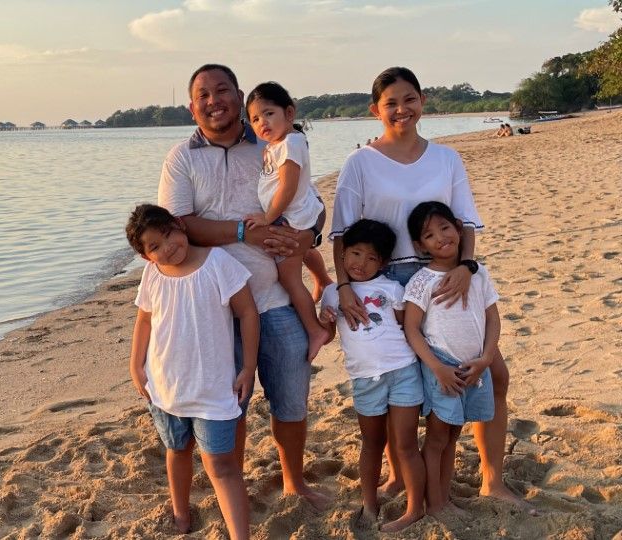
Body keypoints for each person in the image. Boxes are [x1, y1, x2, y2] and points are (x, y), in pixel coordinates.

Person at [329, 66, 525, 510]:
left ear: (423, 101)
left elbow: (465, 221)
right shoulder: (360, 162)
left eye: (410, 99)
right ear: (376, 110)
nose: (402, 109)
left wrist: (467, 267)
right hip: (385, 281)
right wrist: (343, 285)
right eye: (391, 103)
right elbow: (342, 234)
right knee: (400, 382)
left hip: (446, 276)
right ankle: (402, 476)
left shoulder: (446, 158)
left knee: (493, 374)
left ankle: (492, 479)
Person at [158, 63, 331, 510]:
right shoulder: (182, 157)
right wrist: (242, 232)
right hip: (212, 309)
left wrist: (308, 238)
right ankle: (232, 489)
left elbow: (309, 202)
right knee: (227, 405)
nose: (213, 101)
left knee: (291, 399)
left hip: (275, 298)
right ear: (192, 107)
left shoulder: (270, 141)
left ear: (239, 95)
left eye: (222, 90)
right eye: (203, 95)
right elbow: (177, 226)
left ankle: (294, 481)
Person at [126, 204, 259, 538]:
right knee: (177, 449)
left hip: (213, 388)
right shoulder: (152, 274)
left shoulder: (218, 263)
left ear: (179, 225)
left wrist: (248, 366)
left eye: (168, 234)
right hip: (166, 385)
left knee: (222, 465)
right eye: (155, 246)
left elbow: (247, 312)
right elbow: (144, 320)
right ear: (145, 257)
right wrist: (135, 365)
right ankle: (181, 513)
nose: (167, 247)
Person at [318, 219, 425, 532]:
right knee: (371, 442)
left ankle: (415, 508)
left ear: (384, 262)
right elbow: (327, 335)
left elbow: (406, 326)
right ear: (342, 254)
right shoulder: (332, 293)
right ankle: (369, 503)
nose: (360, 263)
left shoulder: (392, 288)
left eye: (371, 258)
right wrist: (324, 319)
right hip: (365, 379)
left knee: (406, 443)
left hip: (403, 372)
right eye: (355, 254)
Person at [402, 201, 499, 517]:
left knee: (453, 434)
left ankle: (444, 498)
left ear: (458, 228)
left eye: (445, 227)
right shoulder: (422, 281)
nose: (441, 237)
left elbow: (493, 318)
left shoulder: (478, 273)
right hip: (442, 368)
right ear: (420, 245)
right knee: (436, 438)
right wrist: (437, 368)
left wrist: (486, 358)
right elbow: (412, 328)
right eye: (429, 235)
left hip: (474, 366)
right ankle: (435, 504)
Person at [243, 81, 332, 361]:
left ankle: (315, 330)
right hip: (294, 215)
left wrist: (268, 217)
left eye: (269, 113)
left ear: (289, 113)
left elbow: (288, 186)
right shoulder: (277, 145)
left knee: (289, 277)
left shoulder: (291, 143)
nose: (262, 122)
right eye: (255, 119)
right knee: (303, 252)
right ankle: (323, 280)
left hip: (291, 218)